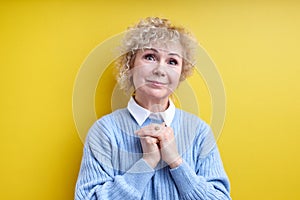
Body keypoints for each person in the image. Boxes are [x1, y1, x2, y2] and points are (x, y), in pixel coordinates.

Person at [75, 17, 231, 200]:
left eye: (172, 61)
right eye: (150, 57)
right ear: (130, 65)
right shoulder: (104, 131)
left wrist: (176, 162)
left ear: (182, 72)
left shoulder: (199, 131)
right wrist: (146, 163)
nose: (160, 70)